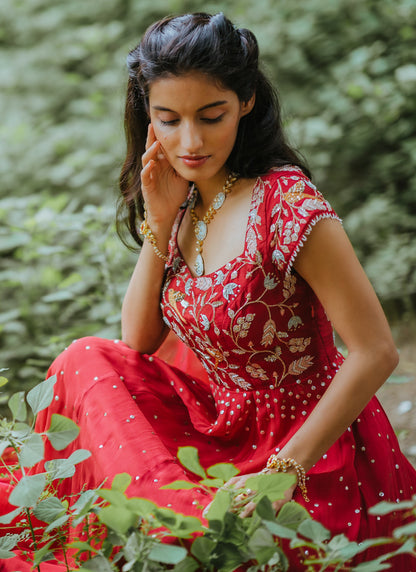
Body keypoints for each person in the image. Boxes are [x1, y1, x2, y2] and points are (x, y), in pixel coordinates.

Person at [1, 11, 416, 571]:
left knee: (220, 542)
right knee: (86, 359)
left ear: (245, 101)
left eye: (211, 115)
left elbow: (376, 350)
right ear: (146, 115)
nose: (190, 142)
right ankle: (171, 521)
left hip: (307, 439)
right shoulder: (185, 197)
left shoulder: (286, 203)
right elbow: (138, 340)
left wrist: (283, 473)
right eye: (168, 119)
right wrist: (162, 218)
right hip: (217, 423)